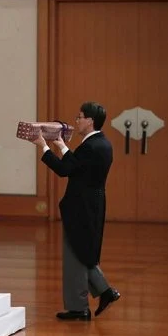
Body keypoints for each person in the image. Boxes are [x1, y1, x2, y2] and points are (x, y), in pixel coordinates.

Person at [32, 101, 120, 320]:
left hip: (82, 205)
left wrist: (43, 146)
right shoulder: (102, 143)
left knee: (75, 255)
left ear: (90, 121)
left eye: (80, 117)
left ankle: (79, 308)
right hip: (92, 203)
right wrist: (61, 145)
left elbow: (65, 170)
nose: (77, 120)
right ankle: (105, 292)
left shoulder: (90, 146)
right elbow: (77, 166)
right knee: (83, 251)